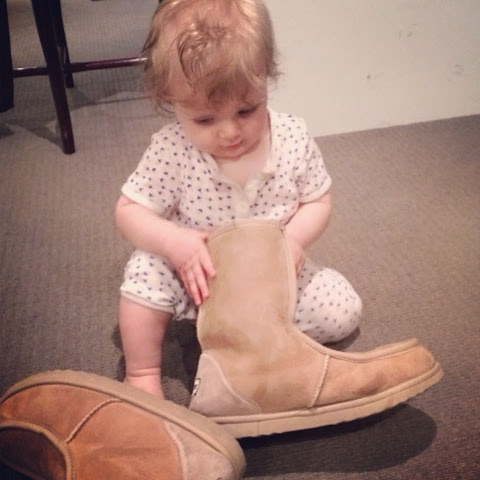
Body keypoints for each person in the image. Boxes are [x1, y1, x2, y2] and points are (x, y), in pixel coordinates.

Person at [116, 0, 362, 398]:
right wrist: (173, 242)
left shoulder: (293, 138)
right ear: (169, 100)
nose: (230, 132)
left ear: (267, 77)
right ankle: (141, 376)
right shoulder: (172, 149)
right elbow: (129, 212)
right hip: (198, 277)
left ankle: (245, 341)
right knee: (145, 270)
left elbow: (318, 202)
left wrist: (293, 241)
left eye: (247, 110)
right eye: (205, 119)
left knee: (341, 311)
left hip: (268, 278)